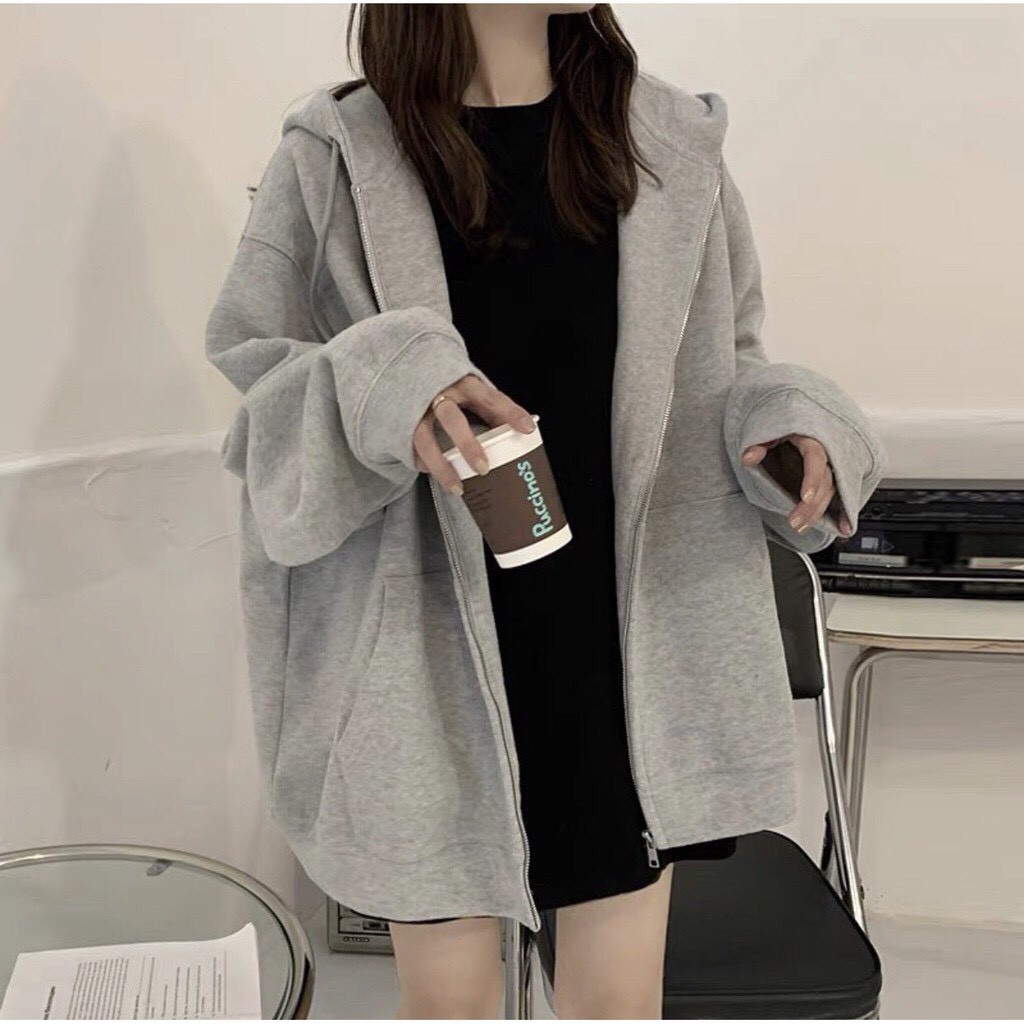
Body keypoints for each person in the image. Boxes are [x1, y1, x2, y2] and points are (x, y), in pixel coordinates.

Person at [205, 4, 886, 1018]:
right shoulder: (338, 154)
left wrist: (789, 422)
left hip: (622, 657)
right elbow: (259, 383)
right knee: (450, 1007)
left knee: (617, 1006)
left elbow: (729, 359)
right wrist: (391, 383)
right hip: (422, 655)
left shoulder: (668, 145)